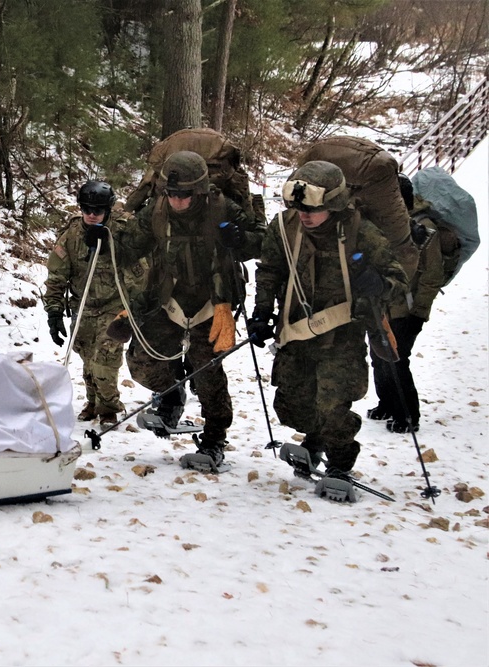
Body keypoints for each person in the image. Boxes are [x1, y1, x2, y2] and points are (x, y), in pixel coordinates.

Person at [249, 161, 408, 498]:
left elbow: (398, 279)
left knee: (333, 407)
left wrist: (378, 283)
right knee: (291, 407)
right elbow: (270, 270)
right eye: (299, 207)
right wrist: (262, 312)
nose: (305, 215)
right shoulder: (284, 227)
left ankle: (340, 460)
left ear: (333, 205)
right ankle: (316, 438)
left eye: (313, 209)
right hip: (295, 332)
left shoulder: (360, 231)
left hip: (342, 336)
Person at [113, 151, 265, 470]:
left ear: (199, 191)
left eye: (184, 195)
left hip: (214, 300)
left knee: (207, 370)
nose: (177, 201)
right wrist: (104, 234)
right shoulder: (157, 212)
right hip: (170, 297)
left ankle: (213, 440)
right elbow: (128, 247)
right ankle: (172, 394)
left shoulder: (222, 207)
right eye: (171, 194)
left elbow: (262, 244)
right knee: (141, 359)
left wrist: (238, 239)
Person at [42, 181, 147, 426]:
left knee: (105, 357)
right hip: (83, 304)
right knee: (87, 356)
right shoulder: (72, 236)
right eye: (86, 209)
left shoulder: (123, 232)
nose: (91, 215)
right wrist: (54, 312)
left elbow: (141, 272)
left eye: (97, 211)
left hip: (115, 304)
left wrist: (112, 246)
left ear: (107, 210)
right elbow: (56, 275)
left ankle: (109, 406)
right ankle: (93, 401)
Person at [366, 175, 446, 433]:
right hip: (382, 304)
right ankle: (386, 403)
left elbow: (432, 276)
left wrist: (419, 313)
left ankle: (408, 414)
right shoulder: (386, 226)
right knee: (378, 355)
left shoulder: (425, 228)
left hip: (407, 308)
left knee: (397, 359)